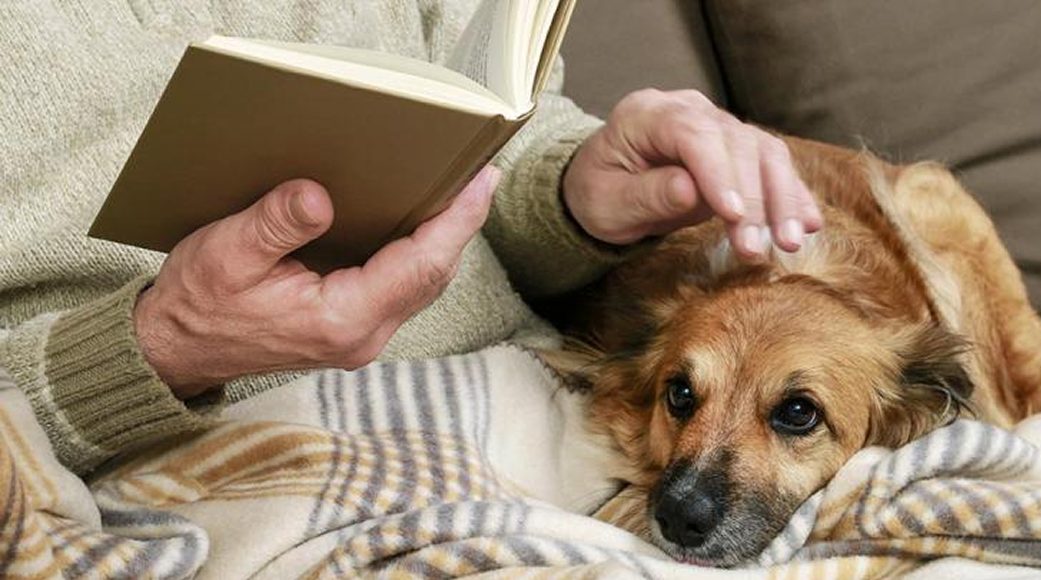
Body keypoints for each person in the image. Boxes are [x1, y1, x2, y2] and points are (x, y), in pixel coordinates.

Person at [0, 0, 820, 476]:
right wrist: (165, 346)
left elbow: (491, 134)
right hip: (206, 470)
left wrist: (575, 194)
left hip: (553, 409)